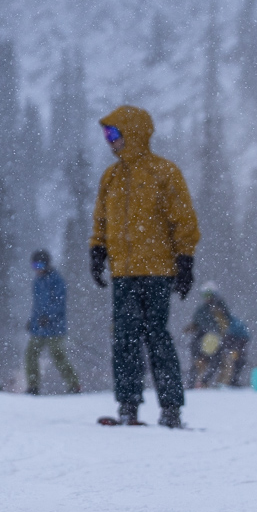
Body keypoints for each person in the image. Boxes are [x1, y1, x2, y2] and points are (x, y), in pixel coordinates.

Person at [89, 105, 199, 427]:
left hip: (157, 272)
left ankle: (171, 409)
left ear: (132, 133)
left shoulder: (163, 173)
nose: (110, 141)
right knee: (124, 339)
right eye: (107, 135)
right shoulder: (111, 177)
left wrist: (185, 259)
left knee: (156, 337)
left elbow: (183, 219)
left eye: (114, 133)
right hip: (123, 272)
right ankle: (128, 405)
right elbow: (102, 219)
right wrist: (98, 250)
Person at [24, 249, 82, 395]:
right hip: (38, 327)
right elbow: (37, 304)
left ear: (47, 264)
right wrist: (32, 320)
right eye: (34, 266)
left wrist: (48, 316)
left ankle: (73, 384)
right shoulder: (37, 281)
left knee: (57, 355)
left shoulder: (56, 280)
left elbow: (59, 303)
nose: (37, 269)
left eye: (40, 265)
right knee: (31, 354)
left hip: (55, 327)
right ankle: (33, 386)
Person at [185, 283, 250, 388]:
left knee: (221, 362)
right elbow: (198, 322)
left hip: (219, 341)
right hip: (205, 341)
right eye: (205, 295)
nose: (208, 298)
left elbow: (225, 324)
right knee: (201, 362)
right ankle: (195, 383)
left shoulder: (221, 309)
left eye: (210, 295)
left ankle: (216, 382)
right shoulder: (202, 310)